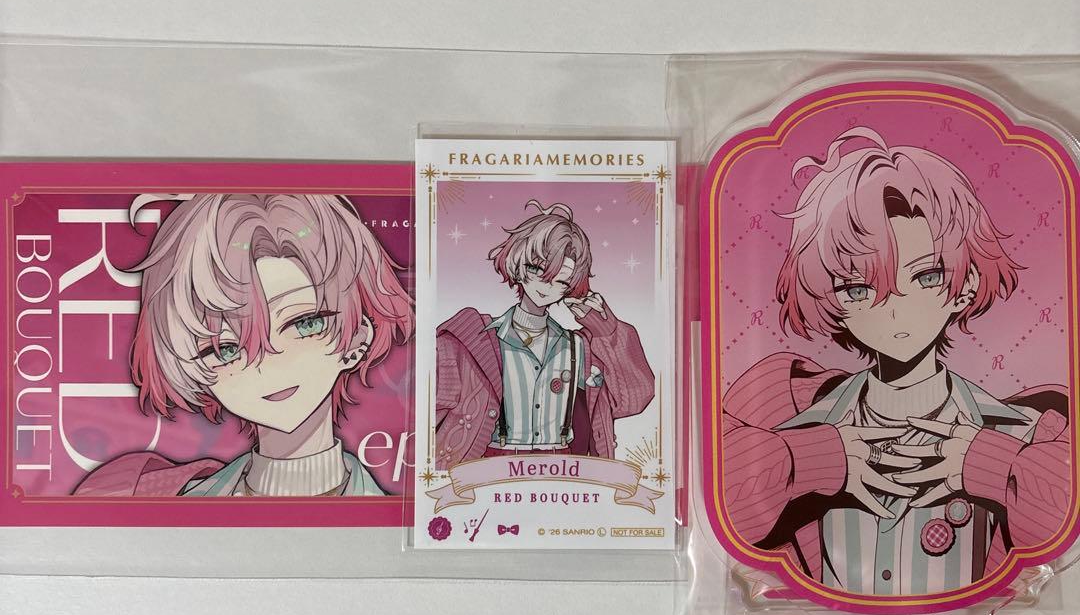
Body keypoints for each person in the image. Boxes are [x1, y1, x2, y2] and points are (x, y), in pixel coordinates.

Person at [722, 128, 1070, 596]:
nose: (894, 308)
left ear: (966, 285)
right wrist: (814, 459)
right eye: (858, 288)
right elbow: (723, 499)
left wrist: (987, 464)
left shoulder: (1024, 430)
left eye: (926, 276)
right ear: (830, 298)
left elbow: (1059, 519)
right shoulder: (786, 409)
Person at [74, 193, 413, 497]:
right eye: (226, 349)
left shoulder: (407, 521)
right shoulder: (168, 502)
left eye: (305, 324)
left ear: (357, 338)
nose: (268, 365)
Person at [434, 200, 654, 471]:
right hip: (492, 465)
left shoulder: (578, 347)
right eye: (537, 269)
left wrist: (606, 331)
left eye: (560, 281)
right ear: (517, 263)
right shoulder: (473, 341)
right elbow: (429, 407)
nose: (545, 286)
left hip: (562, 466)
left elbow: (633, 399)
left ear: (571, 287)